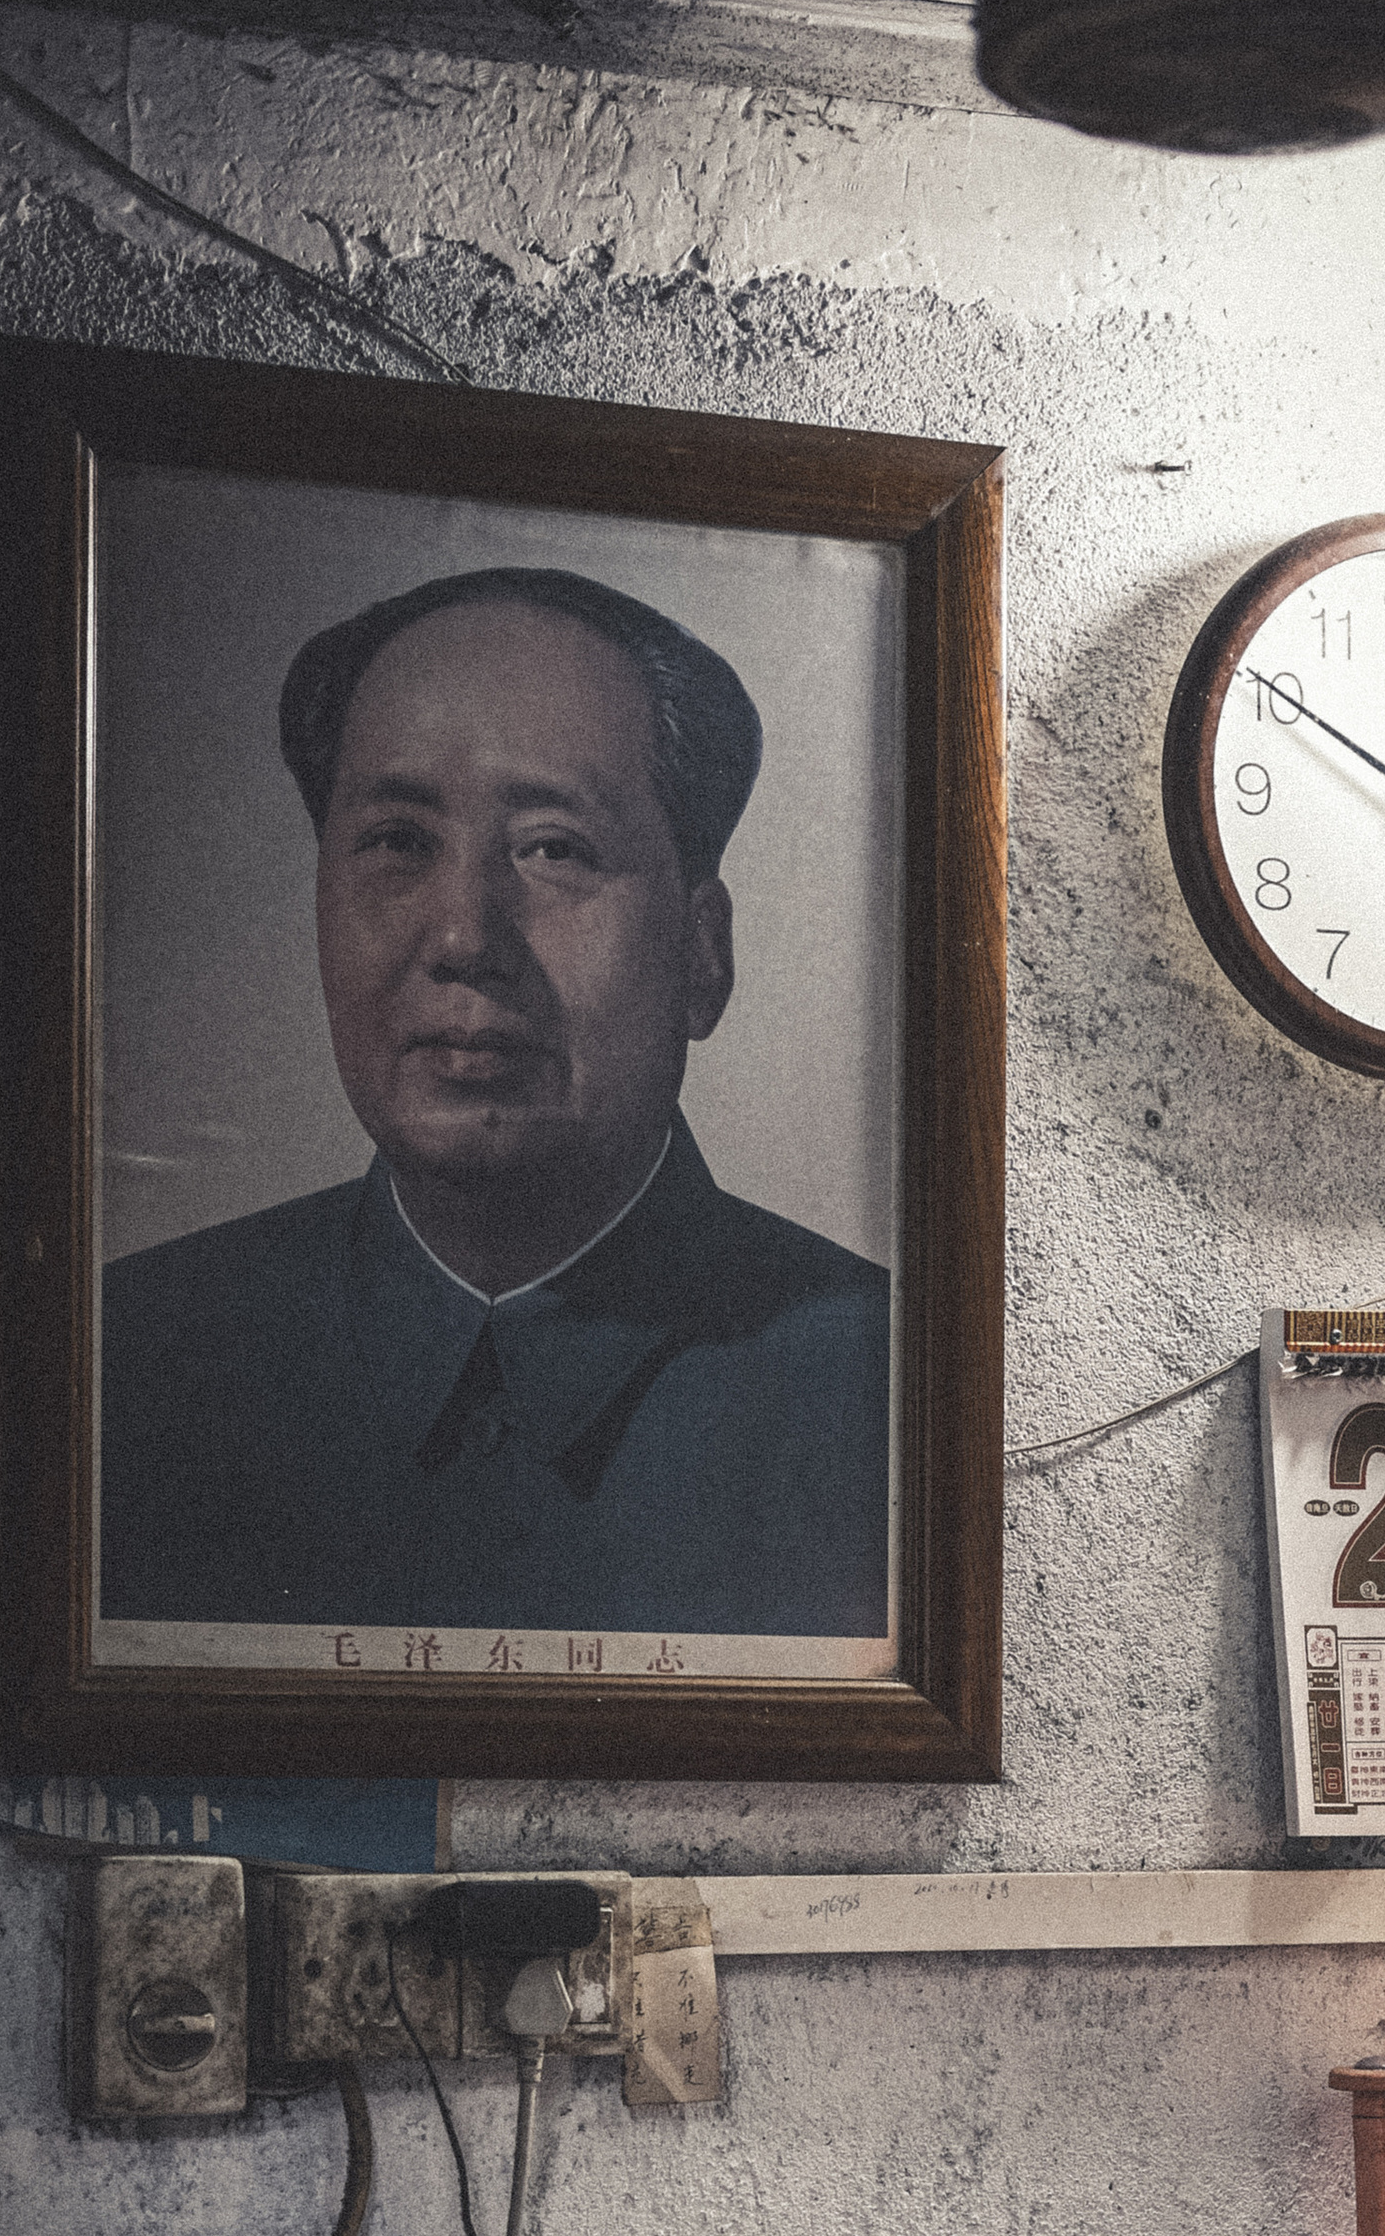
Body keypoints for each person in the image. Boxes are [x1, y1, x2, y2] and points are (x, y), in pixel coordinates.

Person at [98, 566, 891, 1648]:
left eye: (554, 851)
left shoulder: (884, 1396)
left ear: (703, 954)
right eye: (398, 845)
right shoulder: (128, 1365)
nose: (465, 936)